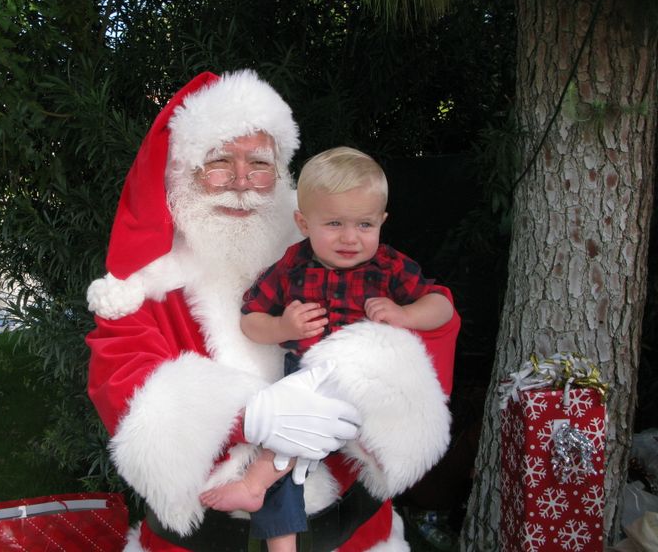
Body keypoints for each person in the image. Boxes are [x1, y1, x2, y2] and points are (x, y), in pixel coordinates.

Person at [85, 70, 461, 552]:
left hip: (352, 536)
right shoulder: (144, 285)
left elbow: (437, 322)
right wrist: (252, 416)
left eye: (259, 163)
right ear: (183, 172)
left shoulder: (328, 246)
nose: (241, 182)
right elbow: (119, 376)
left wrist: (368, 371)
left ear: (281, 173)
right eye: (219, 161)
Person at [198, 147, 455, 552]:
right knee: (288, 428)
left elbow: (441, 305)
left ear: (382, 222)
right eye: (334, 223)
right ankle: (281, 542)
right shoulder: (293, 266)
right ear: (304, 223)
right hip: (305, 373)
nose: (351, 237)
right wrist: (284, 325)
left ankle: (254, 482)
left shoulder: (387, 267)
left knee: (297, 434)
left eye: (365, 224)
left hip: (363, 378)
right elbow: (250, 319)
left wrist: (405, 315)